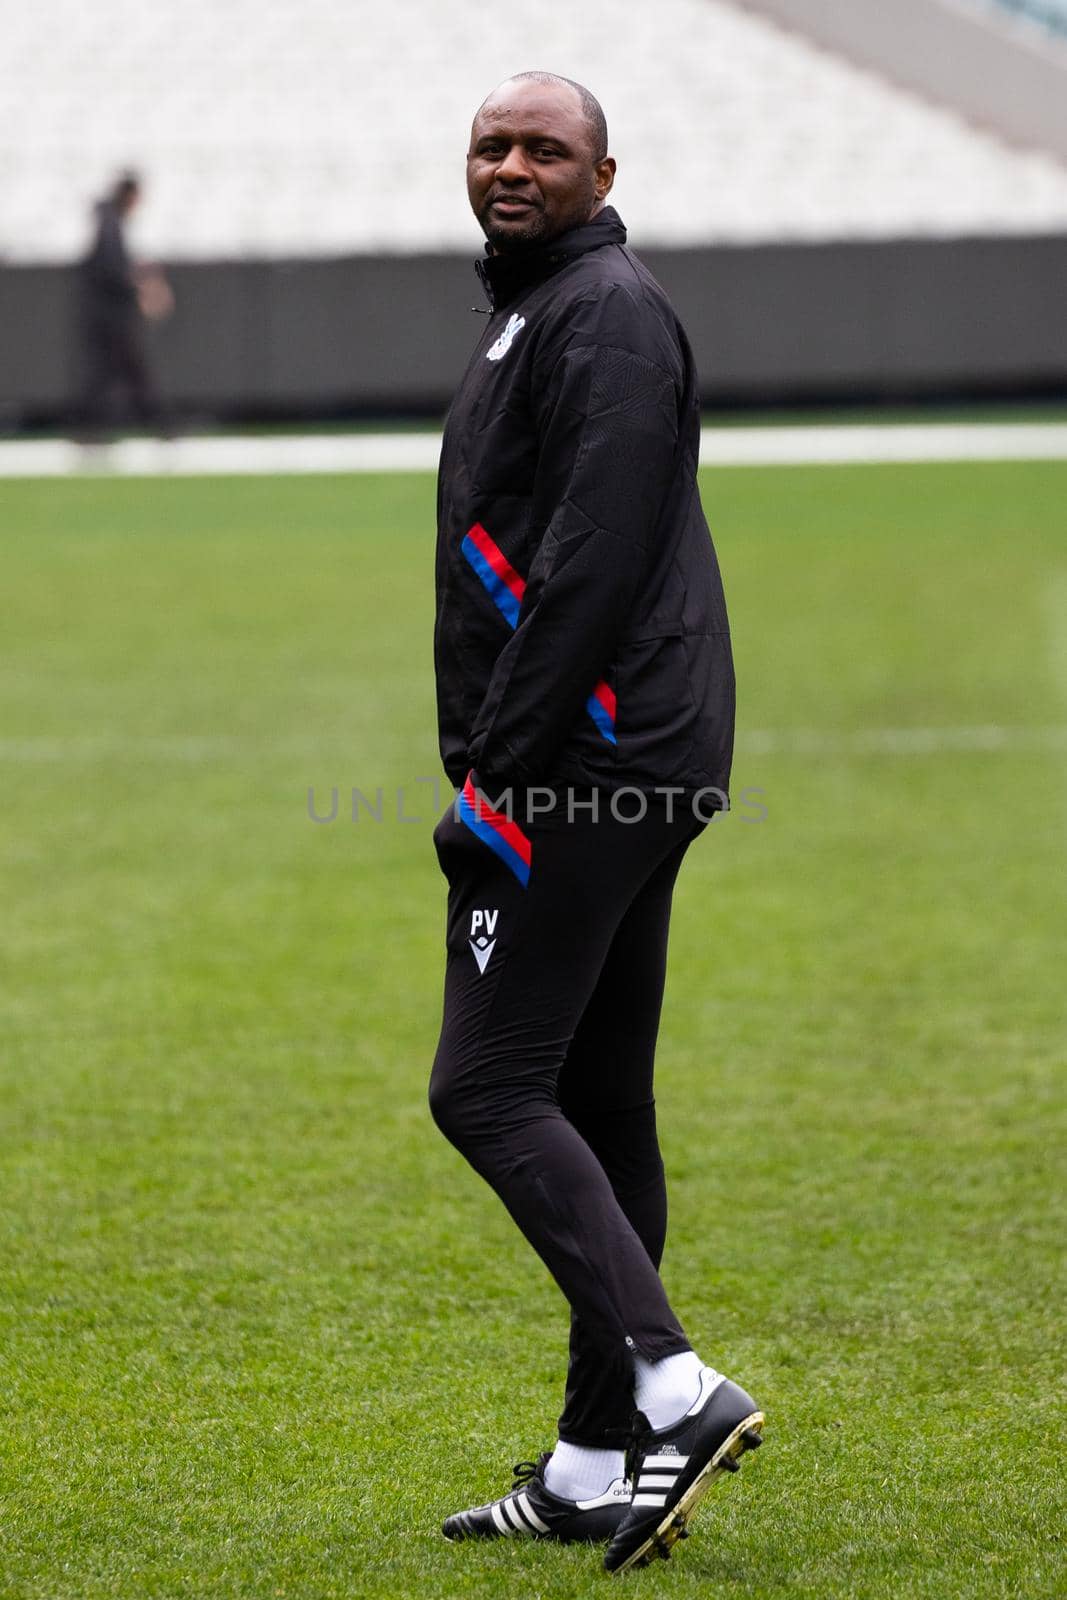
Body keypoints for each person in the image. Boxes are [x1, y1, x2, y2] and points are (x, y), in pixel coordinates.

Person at [429, 72, 764, 1575]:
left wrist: (491, 773)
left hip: (587, 752)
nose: (511, 165)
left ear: (599, 169)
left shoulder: (601, 313)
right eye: (492, 145)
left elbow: (594, 556)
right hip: (622, 744)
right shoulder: (546, 306)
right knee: (596, 1097)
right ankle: (585, 1463)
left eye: (542, 148)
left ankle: (675, 1387)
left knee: (487, 1090)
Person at [76, 171, 172, 436]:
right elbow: (111, 270)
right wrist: (140, 281)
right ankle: (158, 426)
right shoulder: (109, 225)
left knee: (115, 373)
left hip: (108, 317)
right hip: (111, 318)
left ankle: (154, 425)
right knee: (122, 372)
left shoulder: (109, 222)